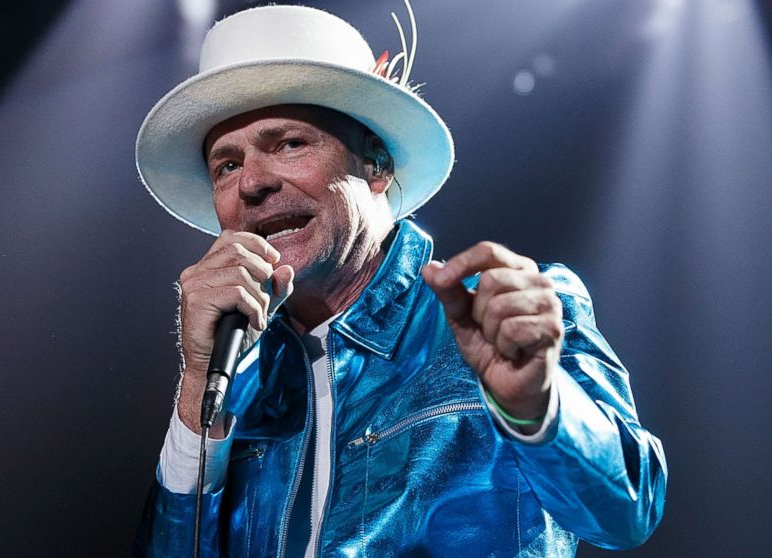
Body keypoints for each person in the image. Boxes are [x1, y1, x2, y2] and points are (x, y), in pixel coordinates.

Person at [132, 4, 666, 557]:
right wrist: (198, 382)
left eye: (289, 143)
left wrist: (539, 404)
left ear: (377, 165)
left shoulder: (511, 322)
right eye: (226, 165)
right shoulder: (234, 384)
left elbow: (628, 514)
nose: (253, 184)